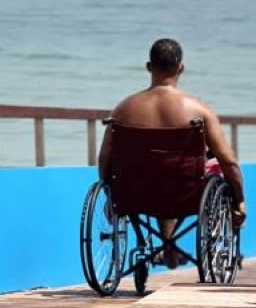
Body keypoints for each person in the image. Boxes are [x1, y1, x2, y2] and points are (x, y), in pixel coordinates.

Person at [98, 38, 246, 264]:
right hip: (185, 193)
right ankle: (180, 248)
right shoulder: (198, 109)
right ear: (181, 68)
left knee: (155, 173)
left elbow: (105, 158)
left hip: (135, 194)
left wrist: (111, 194)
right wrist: (240, 200)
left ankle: (168, 248)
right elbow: (229, 161)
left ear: (149, 67)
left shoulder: (123, 110)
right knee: (208, 167)